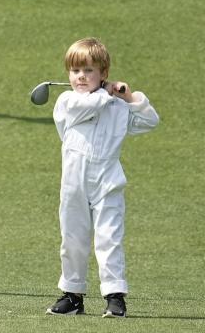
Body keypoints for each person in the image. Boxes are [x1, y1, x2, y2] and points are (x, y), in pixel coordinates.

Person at [46, 37, 160, 318]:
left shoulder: (117, 107)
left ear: (103, 73)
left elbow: (150, 121)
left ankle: (114, 296)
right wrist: (107, 93)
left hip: (108, 180)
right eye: (75, 71)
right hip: (74, 181)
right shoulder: (67, 102)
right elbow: (89, 106)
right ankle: (72, 296)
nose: (80, 77)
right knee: (72, 238)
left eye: (88, 71)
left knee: (109, 238)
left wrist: (130, 97)